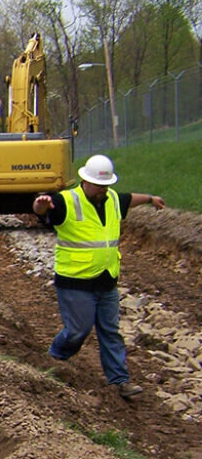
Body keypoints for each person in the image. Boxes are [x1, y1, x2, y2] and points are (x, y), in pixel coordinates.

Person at [32, 154, 165, 400]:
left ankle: (120, 380)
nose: (102, 190)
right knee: (77, 331)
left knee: (110, 331)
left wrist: (150, 199)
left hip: (106, 279)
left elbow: (128, 199)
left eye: (106, 185)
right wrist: (40, 204)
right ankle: (54, 358)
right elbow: (42, 209)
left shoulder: (112, 198)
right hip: (75, 282)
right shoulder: (66, 201)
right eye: (98, 185)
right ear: (85, 180)